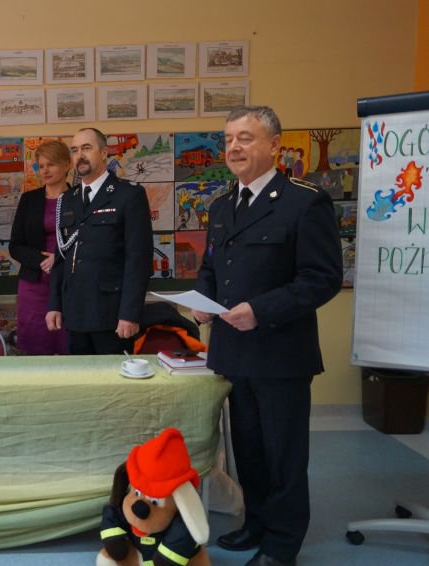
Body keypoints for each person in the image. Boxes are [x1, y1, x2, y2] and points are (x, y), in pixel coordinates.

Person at [192, 106, 342, 566]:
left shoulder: (304, 202)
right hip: (233, 352)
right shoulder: (222, 205)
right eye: (228, 140)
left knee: (283, 455)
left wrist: (260, 311)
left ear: (275, 145)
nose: (233, 148)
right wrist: (202, 300)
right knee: (249, 450)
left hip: (281, 354)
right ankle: (256, 522)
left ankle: (282, 543)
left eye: (245, 138)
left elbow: (322, 279)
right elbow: (212, 268)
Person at [46, 128, 152, 355]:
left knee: (114, 377)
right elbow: (61, 257)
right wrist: (54, 304)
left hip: (112, 315)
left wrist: (130, 313)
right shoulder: (68, 200)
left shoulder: (128, 195)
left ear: (104, 153)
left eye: (86, 148)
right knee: (80, 377)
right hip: (74, 313)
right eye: (75, 150)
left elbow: (139, 260)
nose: (80, 156)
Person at [8, 140, 70, 355]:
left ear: (67, 165)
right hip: (34, 285)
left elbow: (89, 242)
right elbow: (15, 246)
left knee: (69, 344)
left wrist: (58, 258)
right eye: (41, 166)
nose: (45, 171)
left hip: (69, 284)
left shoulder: (80, 199)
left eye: (51, 164)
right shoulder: (29, 200)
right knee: (36, 345)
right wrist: (41, 260)